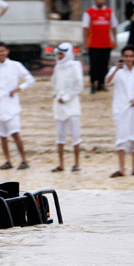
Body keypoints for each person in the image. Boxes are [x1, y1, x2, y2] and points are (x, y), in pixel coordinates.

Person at [106, 44, 134, 177]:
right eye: (126, 56)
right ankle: (121, 169)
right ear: (122, 57)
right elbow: (107, 81)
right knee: (121, 137)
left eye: (131, 56)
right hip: (121, 109)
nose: (128, 59)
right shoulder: (116, 70)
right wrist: (116, 69)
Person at [0, 42, 34, 170]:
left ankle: (24, 160)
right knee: (2, 135)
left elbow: (30, 79)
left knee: (15, 133)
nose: (0, 54)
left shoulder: (15, 65)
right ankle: (8, 161)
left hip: (11, 102)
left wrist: (18, 88)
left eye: (2, 51)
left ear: (7, 51)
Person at [50, 42, 84, 172]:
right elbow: (54, 82)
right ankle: (61, 164)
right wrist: (56, 94)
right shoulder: (57, 67)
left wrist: (66, 97)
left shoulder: (75, 66)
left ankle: (76, 163)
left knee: (75, 136)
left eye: (61, 54)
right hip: (59, 106)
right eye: (58, 54)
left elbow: (79, 86)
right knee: (60, 136)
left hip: (72, 106)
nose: (59, 56)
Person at [83, 0, 118, 94]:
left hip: (106, 43)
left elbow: (114, 27)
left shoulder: (109, 12)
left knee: (104, 64)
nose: (100, 0)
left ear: (105, 0)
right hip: (93, 44)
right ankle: (93, 84)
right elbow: (85, 28)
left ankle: (102, 84)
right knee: (94, 65)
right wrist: (85, 42)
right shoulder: (89, 12)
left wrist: (115, 40)